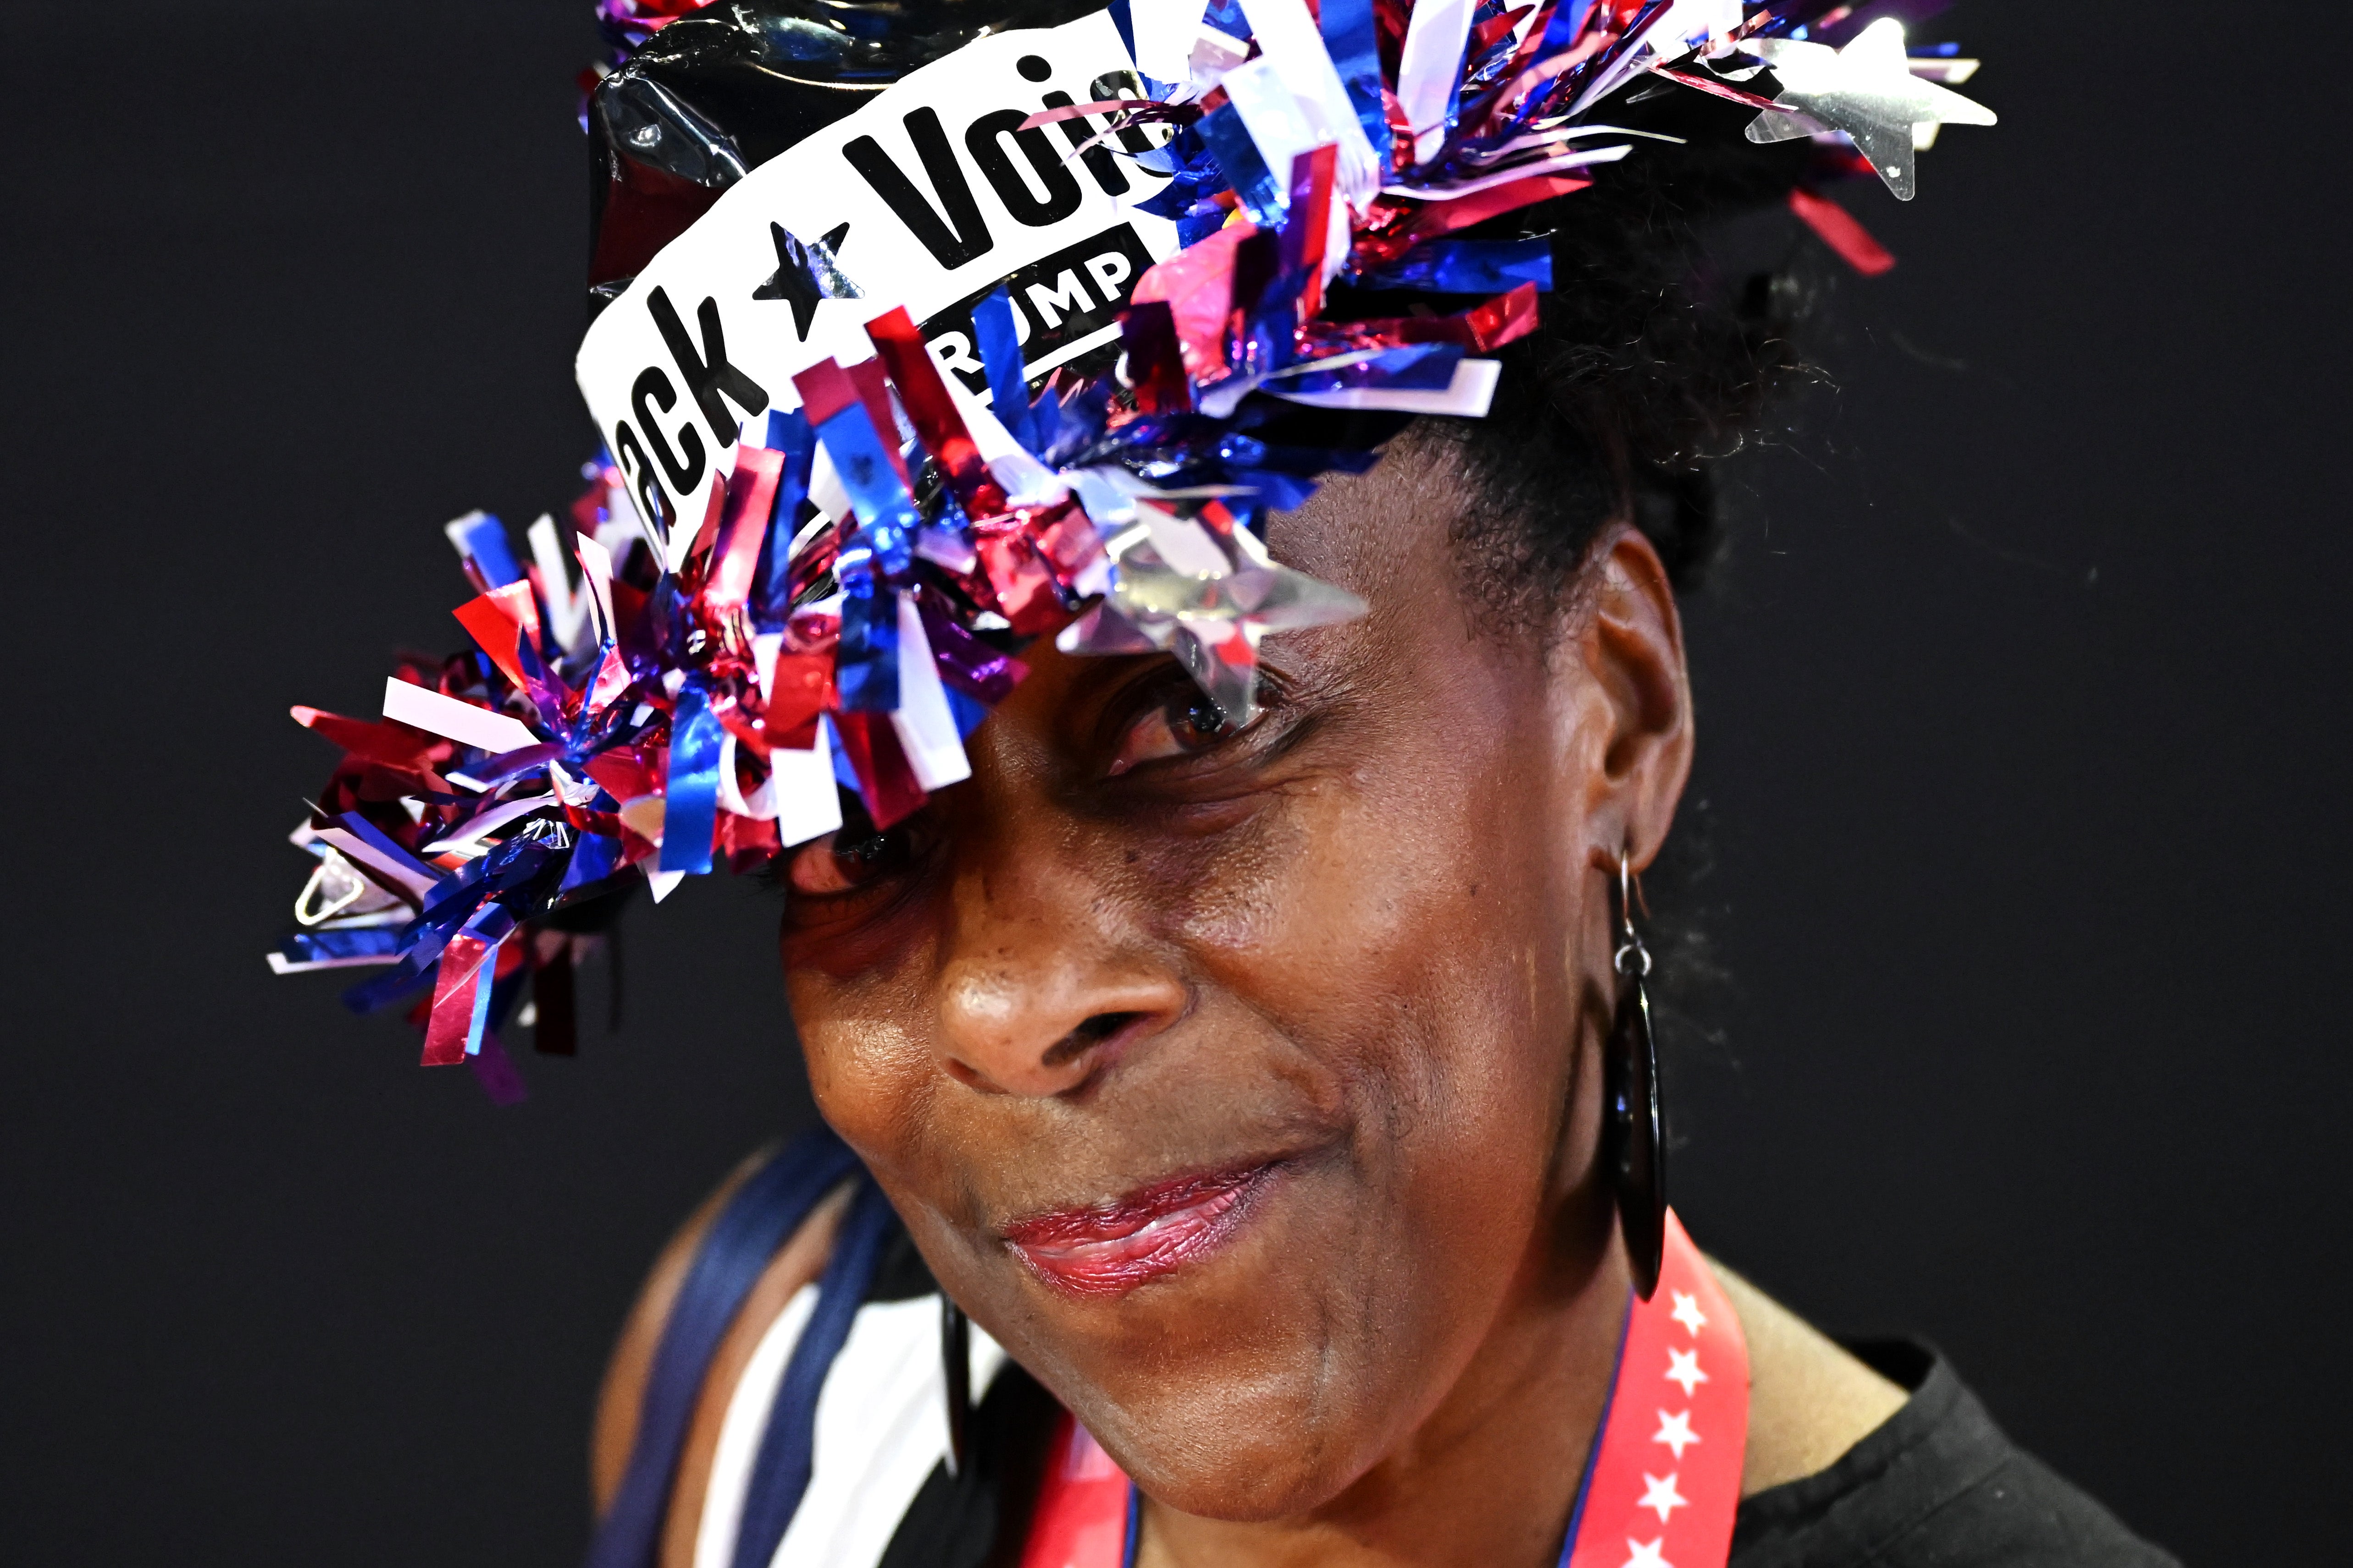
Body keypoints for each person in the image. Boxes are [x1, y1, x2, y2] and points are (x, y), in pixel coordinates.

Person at [276, 2, 2181, 1564]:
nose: (1012, 1005)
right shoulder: (771, 1383)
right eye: (845, 826)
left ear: (1608, 712)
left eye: (1191, 715)